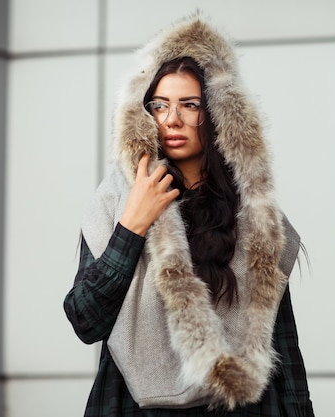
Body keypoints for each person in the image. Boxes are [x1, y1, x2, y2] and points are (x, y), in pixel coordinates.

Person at [64, 14, 314, 417]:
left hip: (239, 405)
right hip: (132, 404)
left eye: (189, 105)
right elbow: (84, 320)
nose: (172, 120)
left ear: (217, 114)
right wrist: (132, 226)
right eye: (159, 105)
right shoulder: (118, 198)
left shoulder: (254, 211)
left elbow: (281, 344)